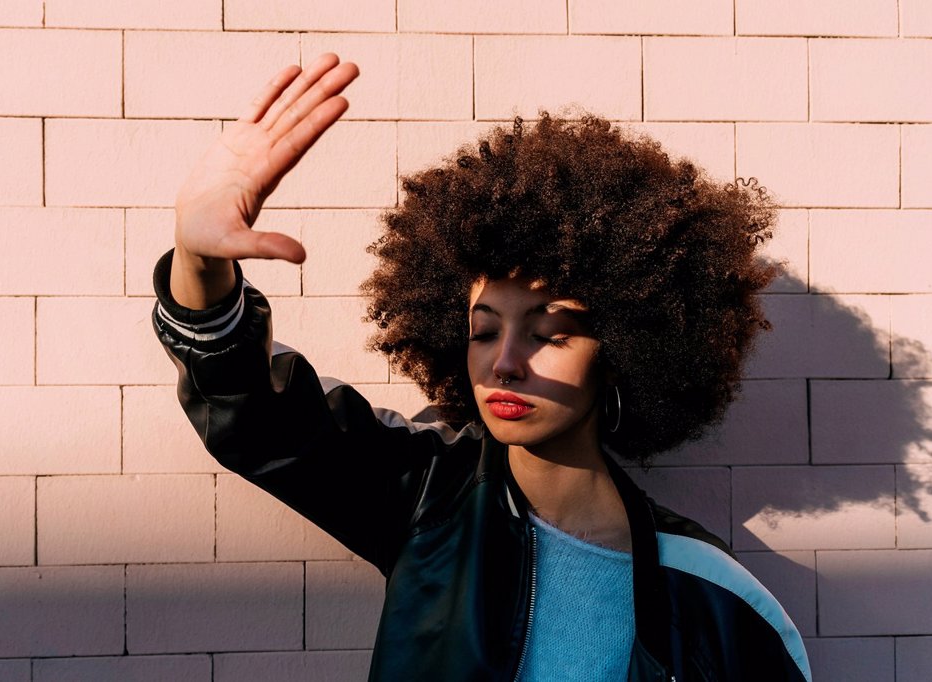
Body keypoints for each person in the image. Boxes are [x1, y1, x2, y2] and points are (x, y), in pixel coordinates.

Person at [152, 53, 812, 681]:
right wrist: (199, 262)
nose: (504, 363)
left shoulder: (717, 598)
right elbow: (260, 418)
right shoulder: (429, 498)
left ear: (623, 354)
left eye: (550, 334)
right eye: (483, 330)